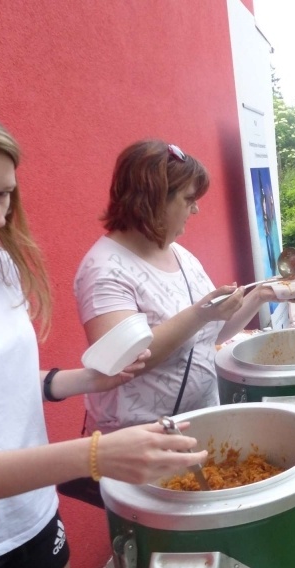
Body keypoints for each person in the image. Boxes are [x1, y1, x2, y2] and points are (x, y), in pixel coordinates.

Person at [0, 103, 207, 568]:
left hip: (30, 514)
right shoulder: (105, 267)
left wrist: (83, 379)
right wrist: (94, 454)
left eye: (5, 194)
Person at [75, 140, 280, 433]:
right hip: (138, 442)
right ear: (154, 200)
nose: (195, 209)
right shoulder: (104, 269)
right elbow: (122, 362)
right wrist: (200, 314)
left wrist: (261, 295)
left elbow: (211, 332)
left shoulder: (178, 253)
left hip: (200, 425)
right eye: (188, 199)